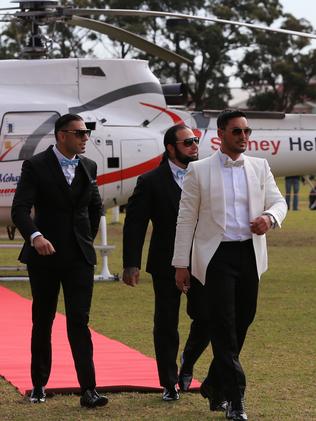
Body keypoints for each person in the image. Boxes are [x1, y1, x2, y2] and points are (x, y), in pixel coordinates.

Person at [172, 109, 287, 421]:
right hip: (215, 257)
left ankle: (211, 383)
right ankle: (235, 399)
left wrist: (269, 217)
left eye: (246, 131)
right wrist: (181, 263)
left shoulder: (260, 167)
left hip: (249, 256)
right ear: (220, 134)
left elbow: (279, 202)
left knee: (242, 323)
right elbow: (186, 220)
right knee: (223, 326)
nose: (244, 137)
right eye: (237, 131)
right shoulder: (199, 170)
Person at [11, 113, 108, 408]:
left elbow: (94, 207)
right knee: (43, 320)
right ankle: (39, 384)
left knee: (79, 321)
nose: (85, 138)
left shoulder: (89, 166)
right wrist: (36, 235)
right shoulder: (35, 165)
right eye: (79, 133)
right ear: (61, 135)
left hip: (79, 257)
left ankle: (88, 390)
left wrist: (86, 239)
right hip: (44, 258)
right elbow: (20, 209)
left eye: (86, 133)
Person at [122, 124, 210, 402]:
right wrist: (131, 263)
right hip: (165, 263)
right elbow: (135, 224)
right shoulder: (150, 181)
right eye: (187, 142)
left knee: (208, 317)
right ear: (171, 148)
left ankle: (187, 362)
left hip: (204, 260)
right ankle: (169, 382)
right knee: (166, 323)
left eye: (196, 141)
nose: (194, 146)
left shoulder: (207, 174)